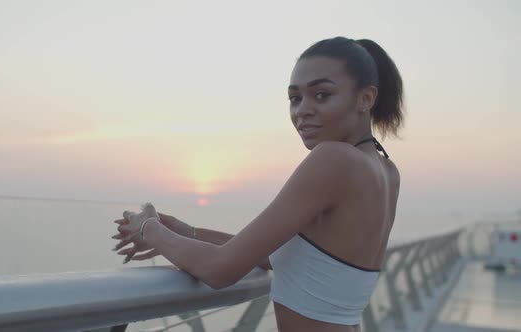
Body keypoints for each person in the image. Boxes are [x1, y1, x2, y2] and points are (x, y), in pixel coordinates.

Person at [112, 36, 403, 332]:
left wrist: (148, 228)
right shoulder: (386, 171)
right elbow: (289, 259)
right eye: (295, 98)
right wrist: (187, 232)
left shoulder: (333, 159)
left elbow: (220, 270)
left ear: (366, 98)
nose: (302, 110)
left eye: (322, 95)